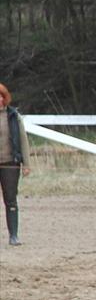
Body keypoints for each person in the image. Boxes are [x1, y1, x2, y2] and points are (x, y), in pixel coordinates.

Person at [0, 83, 32, 246]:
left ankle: (13, 235)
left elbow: (23, 140)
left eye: (0, 96)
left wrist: (26, 163)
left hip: (10, 164)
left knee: (10, 199)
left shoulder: (13, 116)